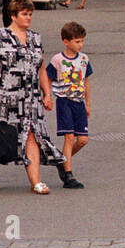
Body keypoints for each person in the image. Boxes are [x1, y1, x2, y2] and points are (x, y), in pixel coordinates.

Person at [0, 0, 65, 194]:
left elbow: (41, 68)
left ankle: (36, 181)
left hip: (30, 98)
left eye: (30, 14)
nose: (28, 18)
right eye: (24, 14)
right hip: (2, 96)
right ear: (13, 16)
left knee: (32, 135)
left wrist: (47, 94)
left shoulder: (35, 38)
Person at [45, 22, 91, 189]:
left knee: (83, 140)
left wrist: (88, 104)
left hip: (79, 102)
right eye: (77, 41)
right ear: (66, 41)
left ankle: (61, 160)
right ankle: (68, 174)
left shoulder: (84, 59)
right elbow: (47, 77)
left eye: (82, 41)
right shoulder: (58, 60)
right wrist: (48, 96)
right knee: (70, 137)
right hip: (64, 101)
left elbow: (86, 81)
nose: (80, 45)